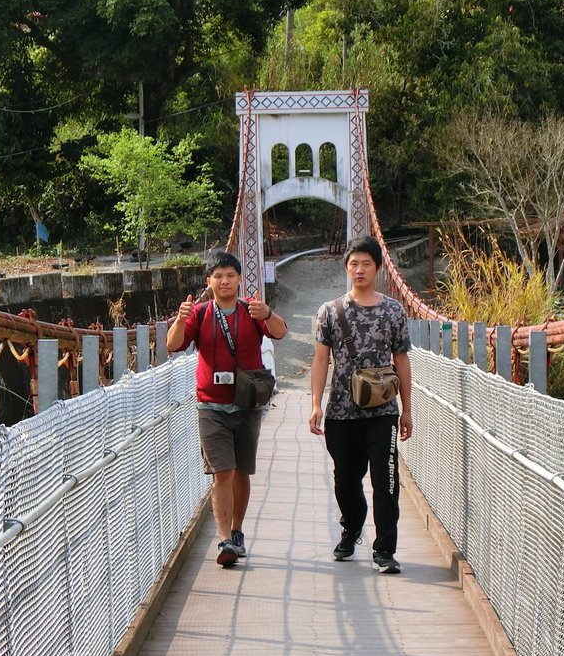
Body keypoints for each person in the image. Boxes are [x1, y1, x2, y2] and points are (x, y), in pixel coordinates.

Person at [166, 251, 288, 567]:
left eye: (230, 275)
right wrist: (180, 320)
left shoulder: (252, 310)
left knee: (242, 470)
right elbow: (172, 344)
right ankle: (224, 540)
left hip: (247, 402)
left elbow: (280, 332)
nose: (224, 281)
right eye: (218, 275)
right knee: (224, 470)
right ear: (209, 281)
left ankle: (236, 532)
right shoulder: (201, 313)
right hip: (211, 404)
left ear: (238, 280)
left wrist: (268, 313)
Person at [309, 235, 413, 574]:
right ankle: (352, 526)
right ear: (346, 268)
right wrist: (315, 404)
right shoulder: (330, 311)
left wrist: (407, 408)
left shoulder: (393, 310)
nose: (359, 269)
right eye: (353, 263)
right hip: (341, 411)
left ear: (378, 269)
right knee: (345, 482)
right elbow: (321, 360)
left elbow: (402, 359)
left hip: (383, 412)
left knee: (386, 482)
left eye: (366, 263)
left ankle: (384, 550)